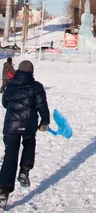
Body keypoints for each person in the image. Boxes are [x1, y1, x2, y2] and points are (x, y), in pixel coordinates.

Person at [0, 60, 50, 206]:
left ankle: (3, 192)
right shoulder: (36, 86)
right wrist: (44, 122)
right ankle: (25, 169)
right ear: (31, 72)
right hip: (29, 124)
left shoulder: (10, 85)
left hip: (11, 126)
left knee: (10, 155)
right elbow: (42, 106)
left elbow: (5, 103)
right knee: (29, 143)